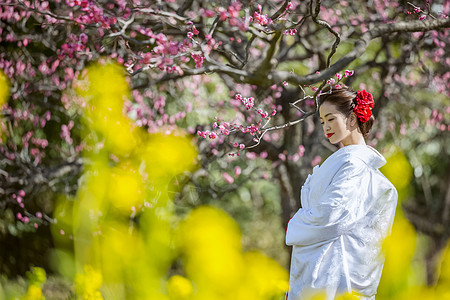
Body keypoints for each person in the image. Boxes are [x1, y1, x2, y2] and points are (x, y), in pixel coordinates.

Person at [285, 85, 398, 300]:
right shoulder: (351, 161)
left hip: (332, 275)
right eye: (322, 122)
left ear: (352, 119)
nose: (326, 126)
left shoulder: (353, 164)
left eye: (331, 118)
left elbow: (332, 216)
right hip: (324, 271)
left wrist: (296, 222)